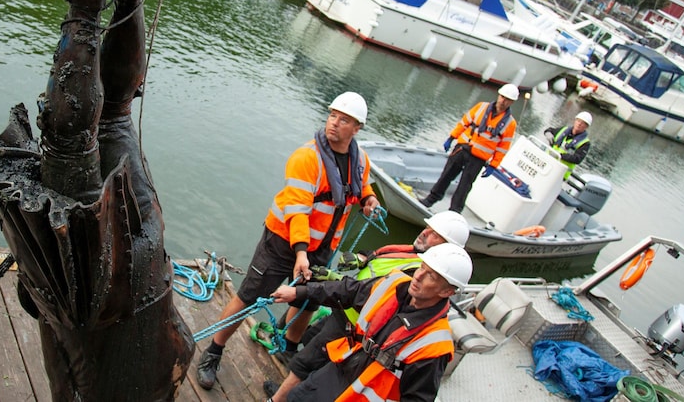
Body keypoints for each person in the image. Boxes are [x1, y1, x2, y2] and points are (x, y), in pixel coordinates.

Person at [196, 92, 382, 390]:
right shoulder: (307, 158)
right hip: (284, 243)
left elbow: (361, 182)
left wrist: (369, 199)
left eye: (343, 119)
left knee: (310, 299)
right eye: (332, 115)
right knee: (249, 296)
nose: (334, 123)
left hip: (322, 247)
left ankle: (288, 348)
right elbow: (297, 209)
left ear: (357, 127)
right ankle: (213, 350)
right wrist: (300, 253)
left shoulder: (360, 159)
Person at [265, 211, 470, 401]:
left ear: (446, 292)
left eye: (430, 275)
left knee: (306, 364)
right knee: (298, 396)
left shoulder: (433, 346)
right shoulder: (397, 284)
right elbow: (351, 290)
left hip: (363, 390)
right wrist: (298, 292)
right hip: (343, 366)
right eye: (422, 268)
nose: (418, 276)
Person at [420, 84, 519, 213]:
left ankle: (454, 211)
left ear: (512, 102)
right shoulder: (481, 107)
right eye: (502, 97)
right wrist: (451, 137)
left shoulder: (510, 124)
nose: (503, 101)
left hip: (478, 158)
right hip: (463, 148)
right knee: (446, 175)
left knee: (464, 186)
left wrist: (493, 165)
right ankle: (431, 199)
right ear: (498, 95)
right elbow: (464, 123)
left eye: (507, 99)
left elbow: (503, 147)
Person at [544, 111, 592, 179]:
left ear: (586, 127)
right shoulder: (563, 130)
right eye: (578, 121)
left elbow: (577, 159)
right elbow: (550, 130)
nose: (579, 124)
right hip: (546, 164)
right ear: (575, 121)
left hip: (560, 174)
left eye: (583, 123)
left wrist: (560, 156)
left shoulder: (585, 143)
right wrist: (548, 133)